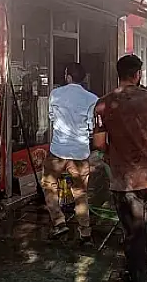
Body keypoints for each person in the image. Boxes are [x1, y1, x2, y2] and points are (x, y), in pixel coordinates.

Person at [93, 55, 147, 282]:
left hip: (124, 177)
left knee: (131, 228)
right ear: (138, 74)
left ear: (118, 73)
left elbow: (99, 143)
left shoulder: (103, 104)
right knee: (145, 223)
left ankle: (137, 272)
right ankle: (140, 267)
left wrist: (111, 152)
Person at [42, 63, 98, 243]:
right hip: (80, 153)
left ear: (68, 76)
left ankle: (59, 222)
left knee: (49, 185)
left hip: (58, 150)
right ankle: (85, 231)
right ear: (84, 78)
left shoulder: (55, 94)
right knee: (80, 192)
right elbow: (91, 128)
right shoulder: (92, 99)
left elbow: (51, 117)